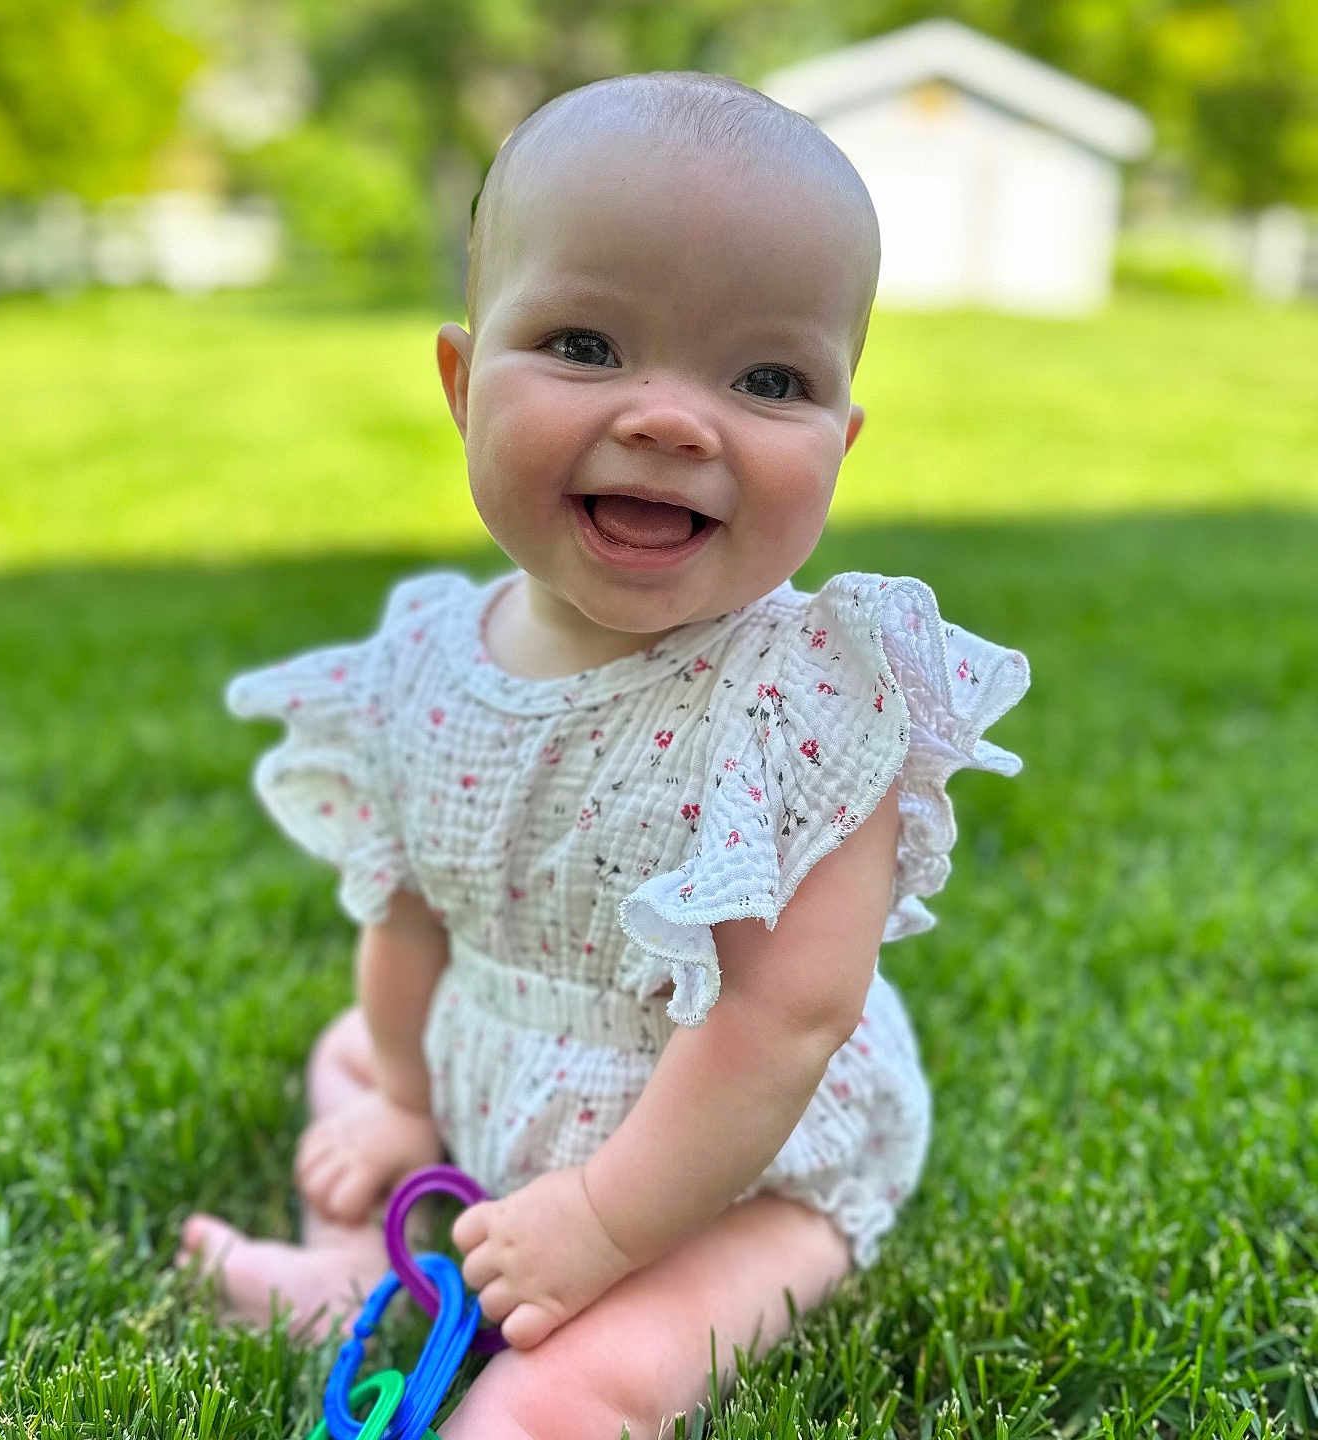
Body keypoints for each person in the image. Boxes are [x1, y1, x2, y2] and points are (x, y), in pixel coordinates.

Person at [178, 69, 1030, 1439]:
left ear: (841, 442)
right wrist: (405, 1097)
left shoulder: (810, 703)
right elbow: (406, 910)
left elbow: (781, 1023)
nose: (673, 420)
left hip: (735, 1167)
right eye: (585, 345)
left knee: (579, 1379)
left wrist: (599, 1219)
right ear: (462, 383)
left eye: (768, 379)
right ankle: (355, 1269)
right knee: (350, 1061)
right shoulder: (419, 660)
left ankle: (540, 1398)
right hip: (498, 1061)